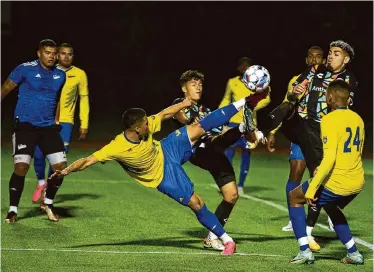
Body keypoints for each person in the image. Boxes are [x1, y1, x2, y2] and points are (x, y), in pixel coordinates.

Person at [51, 88, 265, 255]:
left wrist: (184, 103)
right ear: (136, 128)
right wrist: (66, 171)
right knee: (196, 203)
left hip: (167, 149)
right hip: (162, 176)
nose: (149, 124)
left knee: (200, 127)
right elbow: (88, 160)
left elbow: (163, 114)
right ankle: (227, 240)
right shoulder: (116, 147)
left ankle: (244, 103)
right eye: (145, 123)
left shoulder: (145, 128)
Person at [265, 40, 357, 249]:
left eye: (336, 53)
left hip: (326, 135)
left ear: (346, 59)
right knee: (296, 167)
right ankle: (261, 128)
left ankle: (312, 227)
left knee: (321, 180)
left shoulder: (348, 80)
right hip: (305, 128)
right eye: (331, 53)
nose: (331, 56)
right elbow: (291, 95)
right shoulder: (315, 73)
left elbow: (345, 106)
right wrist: (295, 92)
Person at [171, 70, 267, 251]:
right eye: (193, 84)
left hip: (213, 151)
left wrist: (250, 133)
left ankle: (212, 237)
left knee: (231, 195)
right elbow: (183, 118)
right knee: (215, 142)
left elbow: (220, 130)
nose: (198, 87)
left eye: (200, 84)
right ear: (184, 88)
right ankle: (242, 127)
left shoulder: (206, 110)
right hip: (197, 151)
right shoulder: (179, 105)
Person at [288, 80, 365, 265]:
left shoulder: (329, 119)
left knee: (294, 197)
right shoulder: (358, 119)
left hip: (338, 183)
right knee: (331, 207)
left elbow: (330, 159)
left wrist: (312, 187)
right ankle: (354, 253)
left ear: (329, 97)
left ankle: (304, 250)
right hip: (357, 182)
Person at [267, 46, 332, 249]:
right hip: (301, 130)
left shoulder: (330, 80)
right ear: (306, 60)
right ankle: (292, 216)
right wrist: (273, 130)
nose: (315, 59)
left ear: (324, 60)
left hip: (323, 133)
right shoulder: (297, 79)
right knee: (296, 171)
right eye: (311, 56)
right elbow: (288, 103)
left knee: (322, 175)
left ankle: (331, 212)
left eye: (319, 56)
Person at [1, 39, 67, 223]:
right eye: (47, 52)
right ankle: (13, 209)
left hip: (48, 128)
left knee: (60, 167)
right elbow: (5, 89)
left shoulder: (60, 75)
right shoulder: (24, 69)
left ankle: (48, 203)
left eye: (54, 53)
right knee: (21, 167)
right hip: (25, 126)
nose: (51, 56)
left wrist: (56, 118)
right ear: (39, 53)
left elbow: (57, 98)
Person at [32, 42, 90, 203]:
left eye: (70, 54)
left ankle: (48, 196)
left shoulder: (79, 74)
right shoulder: (48, 72)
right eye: (63, 53)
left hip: (65, 123)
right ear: (57, 55)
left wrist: (84, 123)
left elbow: (83, 99)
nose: (66, 56)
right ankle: (41, 183)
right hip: (43, 121)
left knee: (57, 162)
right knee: (38, 155)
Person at [219, 57, 271, 195]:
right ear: (238, 68)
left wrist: (251, 106)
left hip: (249, 124)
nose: (244, 68)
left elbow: (267, 99)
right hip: (232, 123)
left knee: (246, 153)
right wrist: (219, 115)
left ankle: (241, 185)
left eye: (247, 66)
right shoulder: (232, 82)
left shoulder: (257, 82)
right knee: (228, 153)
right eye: (242, 66)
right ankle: (226, 183)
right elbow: (226, 99)